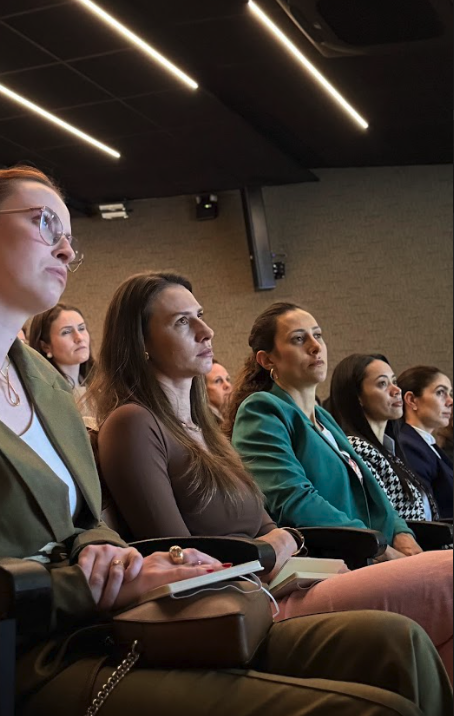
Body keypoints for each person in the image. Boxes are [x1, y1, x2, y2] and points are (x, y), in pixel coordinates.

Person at [0, 170, 452, 716]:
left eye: (71, 232)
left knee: (399, 646)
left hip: (103, 626)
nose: (68, 249)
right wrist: (110, 575)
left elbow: (82, 522)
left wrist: (107, 550)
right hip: (22, 659)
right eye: (43, 221)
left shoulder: (44, 384)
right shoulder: (130, 418)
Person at [90, 281, 452, 679]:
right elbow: (182, 560)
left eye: (201, 316)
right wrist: (271, 547)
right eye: (182, 321)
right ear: (140, 342)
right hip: (249, 605)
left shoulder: (203, 432)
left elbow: (273, 526)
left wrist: (284, 541)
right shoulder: (133, 424)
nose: (205, 331)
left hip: (288, 580)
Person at [329, 353, 439, 521]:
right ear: (357, 397)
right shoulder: (357, 450)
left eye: (394, 382)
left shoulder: (390, 449)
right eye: (382, 384)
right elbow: (385, 519)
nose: (397, 390)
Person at [397, 366, 453, 518]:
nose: (450, 401)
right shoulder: (408, 446)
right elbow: (424, 512)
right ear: (411, 400)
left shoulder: (427, 444)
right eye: (440, 392)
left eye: (450, 394)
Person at [28, 303, 95, 420]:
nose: (79, 337)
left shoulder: (100, 384)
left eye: (81, 328)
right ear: (45, 346)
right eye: (66, 332)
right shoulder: (47, 396)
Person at [205, 359, 233, 424]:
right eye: (217, 381)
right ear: (203, 389)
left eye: (228, 379)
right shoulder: (203, 426)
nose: (227, 385)